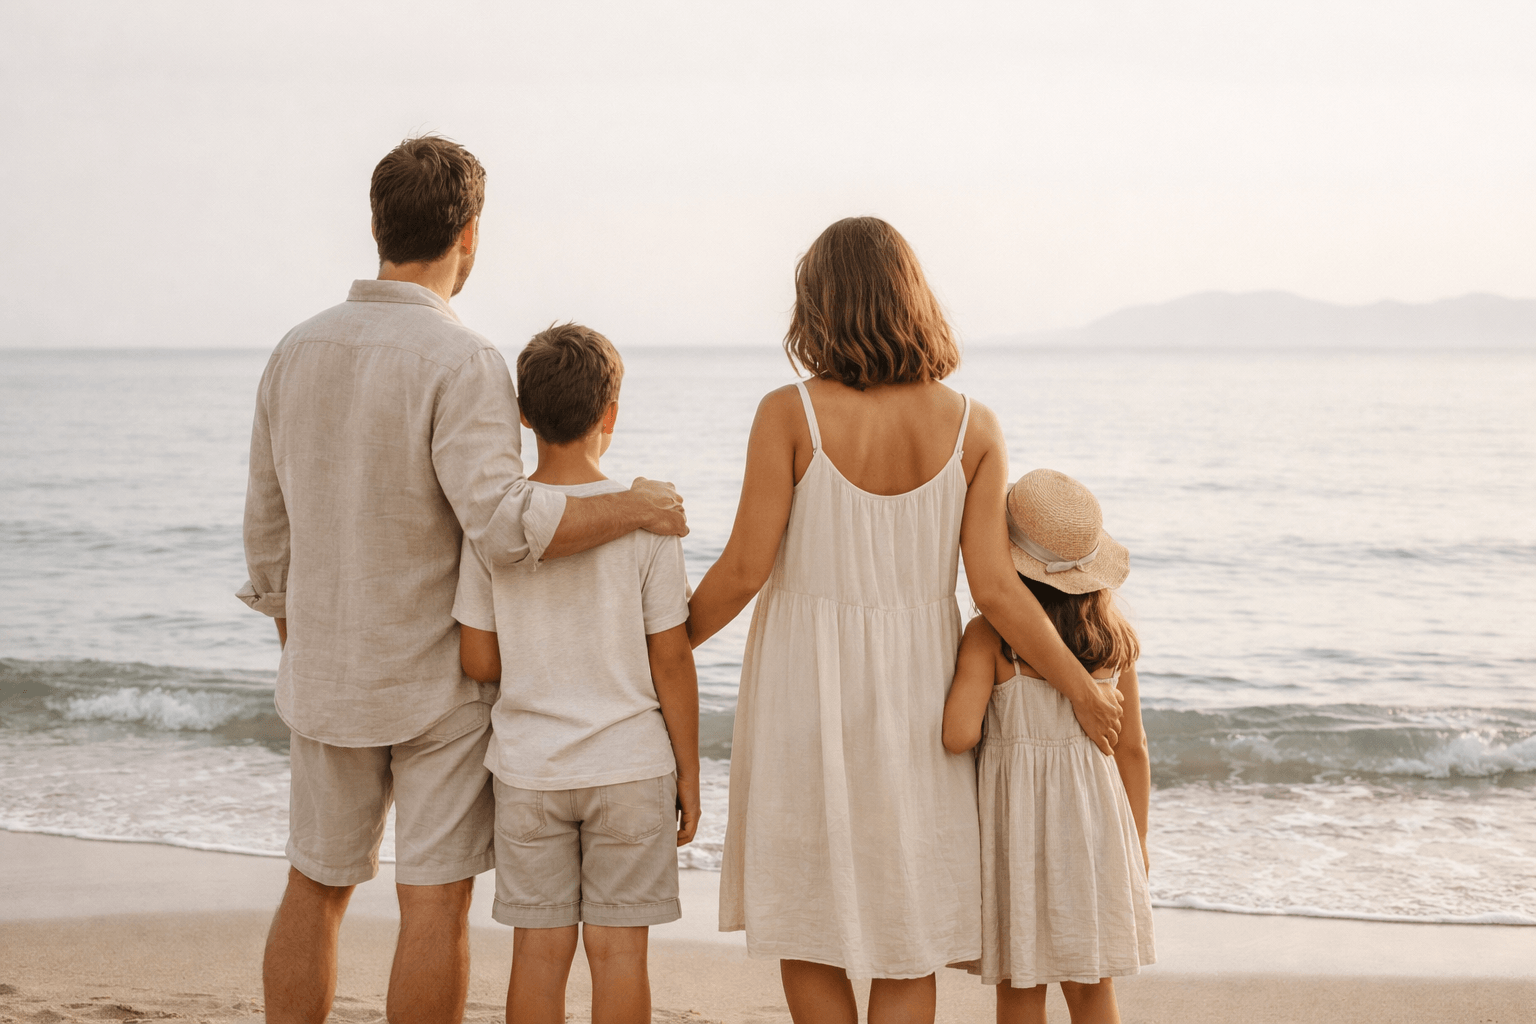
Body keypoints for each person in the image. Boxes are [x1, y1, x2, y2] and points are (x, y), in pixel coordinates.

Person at [238, 136, 686, 1024]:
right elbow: (507, 526)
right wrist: (634, 507)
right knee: (433, 903)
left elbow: (266, 532)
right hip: (436, 689)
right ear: (470, 236)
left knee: (314, 887)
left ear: (375, 225)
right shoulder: (463, 360)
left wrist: (304, 640)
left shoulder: (294, 350)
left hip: (326, 673)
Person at [684, 217, 1125, 1024]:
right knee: (907, 928)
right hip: (920, 695)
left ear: (819, 307)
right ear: (913, 301)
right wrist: (1082, 690)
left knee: (810, 926)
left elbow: (744, 571)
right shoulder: (972, 425)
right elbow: (996, 591)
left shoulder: (789, 414)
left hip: (802, 688)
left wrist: (662, 648)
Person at [454, 323, 700, 1024]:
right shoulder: (653, 523)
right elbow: (672, 660)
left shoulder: (495, 527)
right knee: (621, 955)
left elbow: (478, 659)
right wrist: (688, 771)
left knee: (538, 953)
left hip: (531, 771)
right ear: (610, 415)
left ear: (524, 415)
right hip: (630, 767)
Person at [941, 469, 1154, 1024]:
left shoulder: (990, 638)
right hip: (1099, 835)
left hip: (1021, 836)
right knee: (1091, 984)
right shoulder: (1115, 642)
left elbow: (957, 734)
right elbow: (1132, 751)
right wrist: (1140, 844)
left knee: (1020, 985)